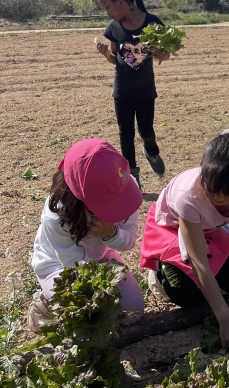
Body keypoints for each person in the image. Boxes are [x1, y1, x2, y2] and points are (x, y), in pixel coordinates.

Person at [139, 129, 229, 352]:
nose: (218, 198)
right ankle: (158, 274)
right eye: (212, 189)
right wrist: (224, 317)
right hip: (172, 226)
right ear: (202, 166)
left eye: (228, 193)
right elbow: (198, 263)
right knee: (185, 292)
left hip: (210, 229)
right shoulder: (188, 195)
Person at [29, 138, 144, 331]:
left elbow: (129, 239)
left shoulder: (124, 185)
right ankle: (42, 306)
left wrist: (111, 234)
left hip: (101, 256)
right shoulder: (57, 216)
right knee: (81, 322)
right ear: (79, 198)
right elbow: (72, 269)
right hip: (59, 265)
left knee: (134, 312)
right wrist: (98, 306)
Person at [96, 0, 171, 186]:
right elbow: (115, 58)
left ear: (120, 1)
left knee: (147, 131)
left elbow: (165, 55)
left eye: (107, 6)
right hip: (122, 91)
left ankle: (152, 151)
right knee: (125, 135)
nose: (106, 12)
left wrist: (163, 55)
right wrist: (105, 55)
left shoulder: (152, 22)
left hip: (146, 90)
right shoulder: (113, 27)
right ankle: (132, 177)